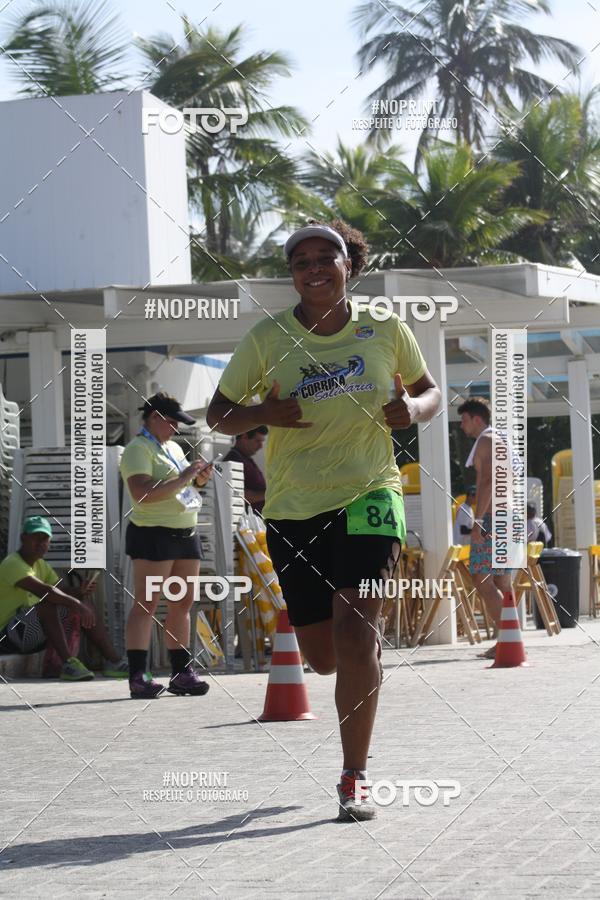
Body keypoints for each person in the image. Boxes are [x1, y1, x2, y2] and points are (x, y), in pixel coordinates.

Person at [207, 219, 441, 821]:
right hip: (293, 506)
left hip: (369, 495)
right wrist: (263, 412)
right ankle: (351, 669)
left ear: (349, 264)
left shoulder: (386, 328)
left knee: (356, 630)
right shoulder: (267, 338)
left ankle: (353, 776)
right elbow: (218, 415)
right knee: (323, 656)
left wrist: (411, 409)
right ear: (292, 275)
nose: (313, 267)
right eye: (300, 260)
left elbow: (430, 390)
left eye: (325, 256)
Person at [120, 392, 214, 699]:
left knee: (182, 604)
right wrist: (186, 475)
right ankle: (138, 675)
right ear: (154, 418)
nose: (175, 428)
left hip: (185, 533)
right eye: (171, 422)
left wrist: (198, 480)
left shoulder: (171, 447)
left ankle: (181, 672)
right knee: (146, 604)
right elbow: (143, 492)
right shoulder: (137, 449)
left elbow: (182, 486)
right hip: (153, 535)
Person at [0, 516, 127, 680]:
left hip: (30, 634)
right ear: (23, 538)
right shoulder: (13, 563)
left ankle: (114, 661)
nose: (40, 543)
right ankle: (69, 664)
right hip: (6, 637)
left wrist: (79, 592)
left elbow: (61, 590)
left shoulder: (41, 565)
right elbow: (45, 591)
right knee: (48, 606)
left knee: (82, 601)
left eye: (45, 539)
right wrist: (76, 603)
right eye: (35, 538)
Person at [458, 397, 514, 659]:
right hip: (508, 517)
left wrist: (478, 520)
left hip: (493, 518)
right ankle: (510, 638)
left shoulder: (485, 441)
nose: (461, 425)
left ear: (477, 419)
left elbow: (488, 482)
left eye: (464, 419)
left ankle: (509, 639)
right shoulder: (500, 440)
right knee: (502, 580)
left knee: (480, 579)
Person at [223, 427, 268, 513]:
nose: (261, 446)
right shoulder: (233, 460)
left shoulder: (245, 459)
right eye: (258, 441)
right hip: (245, 522)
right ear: (244, 437)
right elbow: (237, 495)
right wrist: (272, 493)